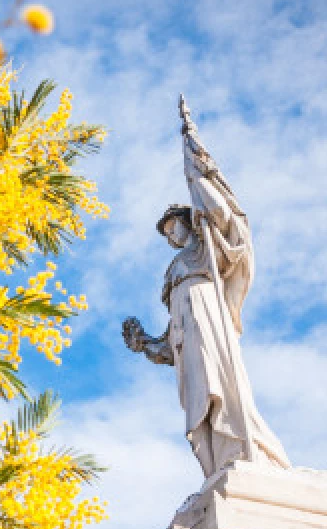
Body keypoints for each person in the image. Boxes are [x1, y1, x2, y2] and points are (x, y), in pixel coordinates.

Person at [122, 199, 290, 478]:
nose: (172, 236)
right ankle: (221, 457)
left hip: (208, 323)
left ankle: (245, 447)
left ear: (188, 222)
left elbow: (232, 233)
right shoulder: (176, 273)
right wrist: (145, 343)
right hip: (186, 330)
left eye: (174, 226)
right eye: (167, 233)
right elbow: (169, 343)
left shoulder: (207, 250)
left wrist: (205, 193)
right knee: (200, 394)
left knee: (220, 384)